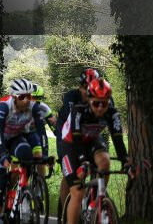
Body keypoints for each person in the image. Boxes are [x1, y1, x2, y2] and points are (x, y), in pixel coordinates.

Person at [58, 78, 128, 224]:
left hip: (92, 140)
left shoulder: (112, 112)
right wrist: (83, 161)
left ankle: (98, 198)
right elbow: (76, 139)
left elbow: (118, 139)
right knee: (77, 192)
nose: (101, 108)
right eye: (97, 103)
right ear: (89, 99)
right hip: (71, 144)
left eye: (105, 103)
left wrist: (126, 161)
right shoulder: (79, 110)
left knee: (105, 161)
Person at [0, 78, 45, 224]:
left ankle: (21, 191)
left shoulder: (32, 107)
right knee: (0, 179)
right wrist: (4, 155)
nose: (26, 100)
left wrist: (45, 154)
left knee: (27, 156)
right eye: (22, 97)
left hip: (13, 136)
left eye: (29, 96)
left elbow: (41, 131)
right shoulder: (5, 106)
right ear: (14, 97)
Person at [55, 68, 101, 210]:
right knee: (69, 172)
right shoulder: (72, 96)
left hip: (87, 133)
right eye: (86, 87)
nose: (90, 90)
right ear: (80, 87)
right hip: (66, 131)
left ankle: (92, 204)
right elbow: (74, 122)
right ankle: (65, 209)